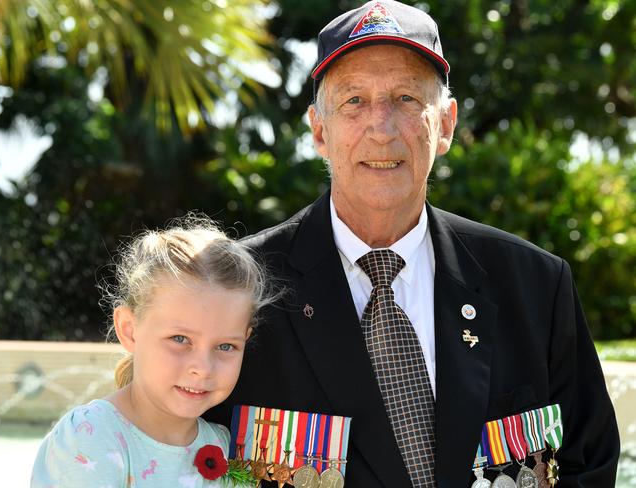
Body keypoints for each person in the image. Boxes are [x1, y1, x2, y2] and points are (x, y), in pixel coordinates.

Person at [207, 1, 620, 487]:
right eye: (354, 101)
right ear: (320, 129)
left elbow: (587, 465)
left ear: (444, 125)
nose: (381, 129)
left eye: (405, 99)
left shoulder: (536, 287)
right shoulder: (240, 290)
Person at [31, 217, 271, 487]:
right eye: (180, 339)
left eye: (226, 346)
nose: (202, 367)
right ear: (129, 330)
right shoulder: (91, 436)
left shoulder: (226, 447)